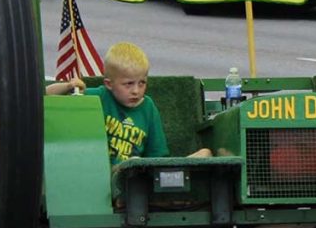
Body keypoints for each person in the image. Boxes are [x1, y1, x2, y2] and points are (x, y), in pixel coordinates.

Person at [47, 42, 213, 163]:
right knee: (129, 165)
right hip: (104, 173)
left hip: (137, 176)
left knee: (205, 153)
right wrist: (68, 86)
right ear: (109, 84)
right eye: (128, 84)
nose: (136, 90)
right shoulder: (97, 97)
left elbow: (158, 156)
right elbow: (44, 96)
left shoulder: (148, 107)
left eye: (142, 83)